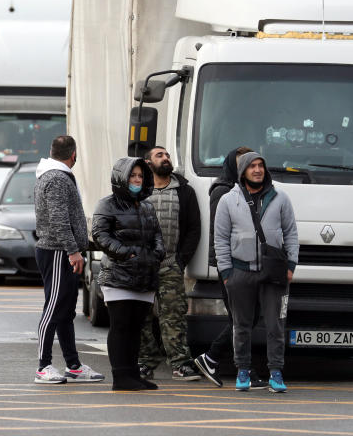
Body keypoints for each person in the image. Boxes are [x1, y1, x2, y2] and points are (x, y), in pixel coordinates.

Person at [214, 151, 298, 393]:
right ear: (243, 172)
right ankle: (242, 370)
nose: (258, 170)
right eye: (252, 166)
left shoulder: (280, 197)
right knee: (241, 325)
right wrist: (226, 272)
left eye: (261, 165)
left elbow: (291, 233)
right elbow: (220, 238)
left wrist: (291, 265)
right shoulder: (228, 200)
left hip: (274, 273)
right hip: (240, 271)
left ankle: (276, 373)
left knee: (275, 325)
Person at [195, 146, 267, 389]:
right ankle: (216, 359)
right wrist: (225, 270)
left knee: (244, 318)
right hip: (231, 267)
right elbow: (221, 233)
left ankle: (231, 365)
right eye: (240, 164)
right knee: (242, 319)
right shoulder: (223, 192)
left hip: (248, 266)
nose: (245, 168)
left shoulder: (245, 192)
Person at [33, 135, 104, 384]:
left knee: (64, 312)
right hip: (56, 251)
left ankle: (73, 365)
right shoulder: (57, 178)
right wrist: (73, 251)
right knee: (53, 309)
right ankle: (43, 366)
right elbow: (58, 219)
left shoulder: (53, 175)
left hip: (60, 250)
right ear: (73, 155)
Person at [92, 157, 166, 391]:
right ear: (121, 177)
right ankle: (120, 376)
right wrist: (126, 254)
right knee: (121, 326)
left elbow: (156, 235)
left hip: (144, 276)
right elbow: (100, 235)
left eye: (140, 176)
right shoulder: (107, 204)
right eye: (132, 175)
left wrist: (157, 254)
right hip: (118, 276)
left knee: (136, 327)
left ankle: (133, 374)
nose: (136, 179)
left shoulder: (146, 205)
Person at [136, 146, 203, 381]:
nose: (165, 158)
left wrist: (181, 260)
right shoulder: (138, 192)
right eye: (159, 155)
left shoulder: (184, 191)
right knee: (141, 317)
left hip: (170, 264)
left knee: (173, 316)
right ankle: (145, 362)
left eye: (167, 155)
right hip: (142, 267)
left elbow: (194, 229)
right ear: (147, 163)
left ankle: (180, 363)